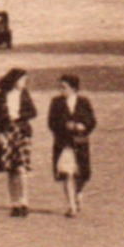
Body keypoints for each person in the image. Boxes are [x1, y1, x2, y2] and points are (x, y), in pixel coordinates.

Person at [47, 73, 97, 217]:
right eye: (60, 87)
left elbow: (92, 121)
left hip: (80, 143)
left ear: (74, 88)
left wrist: (83, 126)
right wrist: (64, 125)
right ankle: (71, 206)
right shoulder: (56, 102)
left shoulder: (84, 102)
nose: (61, 90)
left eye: (64, 87)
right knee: (67, 173)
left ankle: (78, 192)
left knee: (82, 175)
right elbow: (51, 123)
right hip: (63, 144)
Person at [0, 67, 37, 217]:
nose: (24, 82)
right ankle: (14, 203)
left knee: (22, 168)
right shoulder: (1, 96)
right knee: (10, 170)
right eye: (22, 79)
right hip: (7, 133)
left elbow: (33, 111)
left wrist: (19, 115)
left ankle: (24, 202)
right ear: (15, 80)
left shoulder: (24, 94)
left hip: (21, 132)